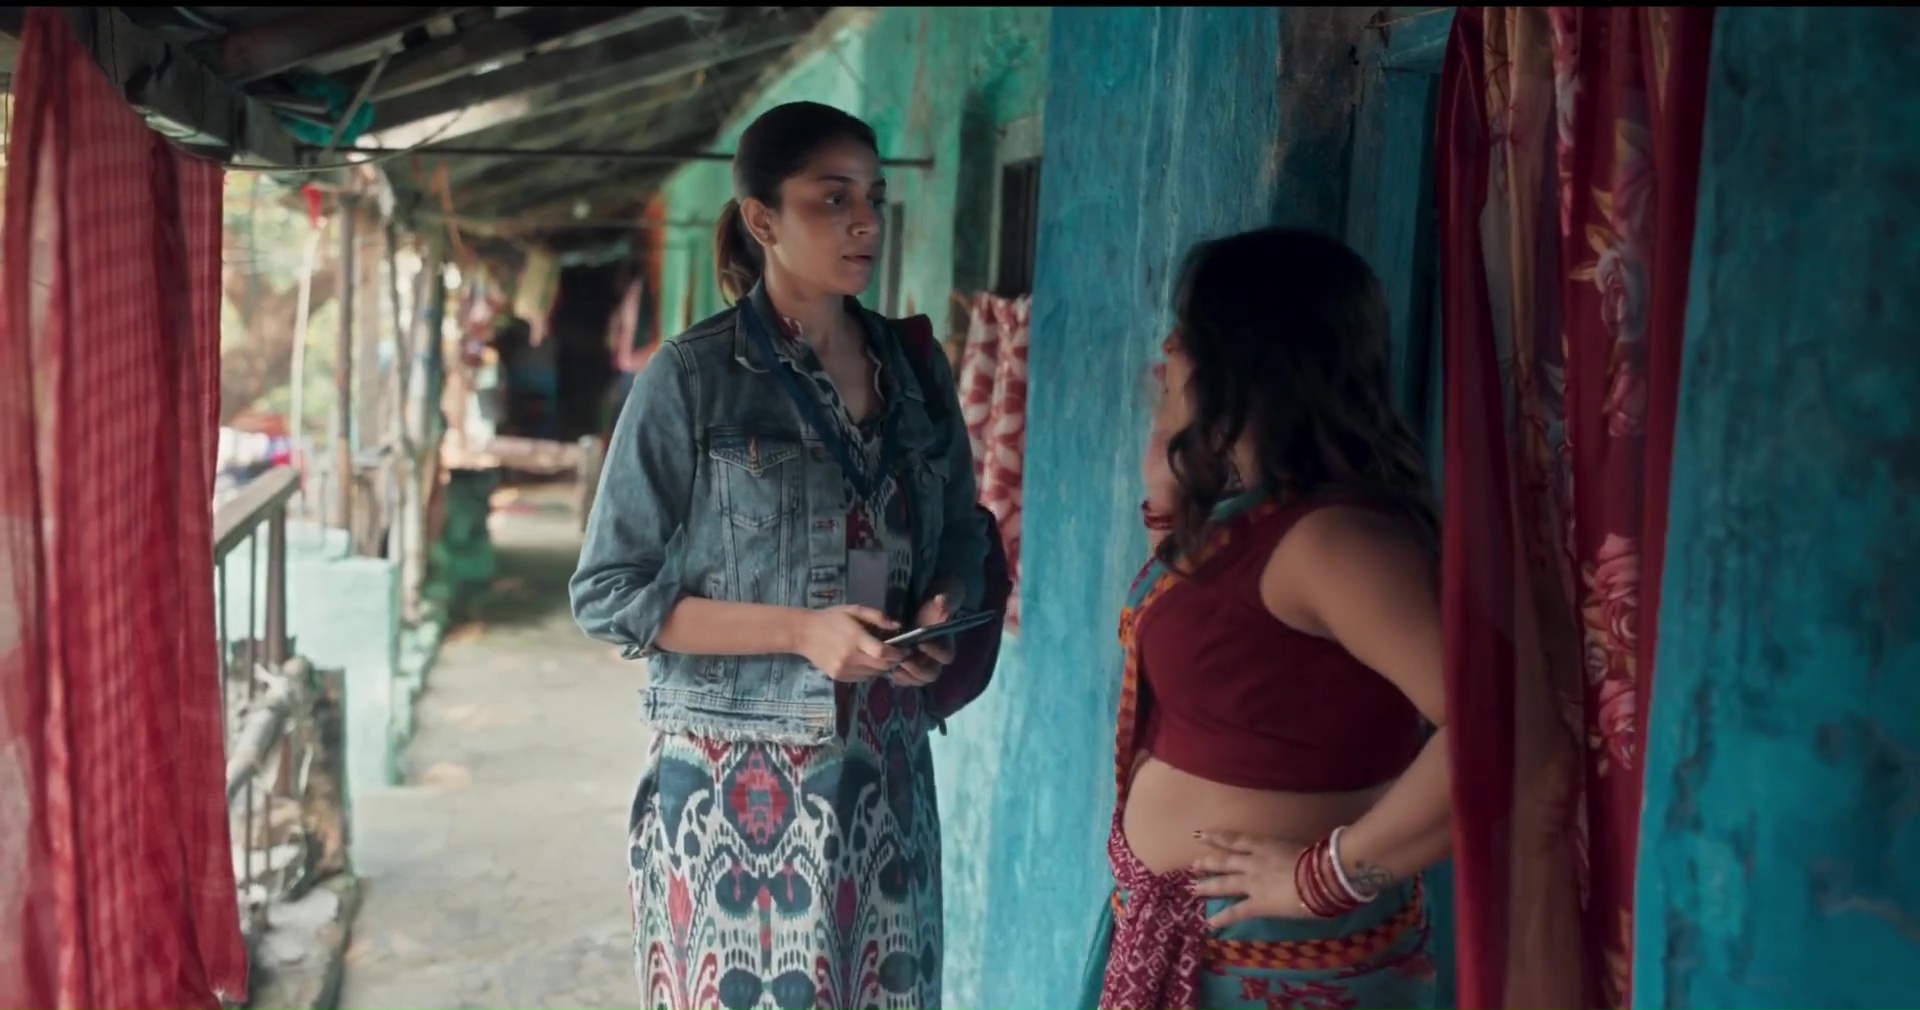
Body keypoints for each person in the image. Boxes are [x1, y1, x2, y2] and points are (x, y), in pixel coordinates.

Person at [570, 101, 992, 1009]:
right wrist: (803, 632)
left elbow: (962, 526)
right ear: (763, 219)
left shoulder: (915, 369)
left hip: (886, 769)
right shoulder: (692, 377)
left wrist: (940, 609)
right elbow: (608, 592)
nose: (865, 222)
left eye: (874, 198)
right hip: (736, 779)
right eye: (832, 199)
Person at [1080, 227, 1450, 1010]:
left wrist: (1327, 876)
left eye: (1188, 330)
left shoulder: (1334, 541)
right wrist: (1173, 450)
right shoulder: (1256, 514)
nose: (1168, 349)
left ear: (1246, 355)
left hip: (1280, 959)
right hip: (1184, 937)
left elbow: (1497, 735)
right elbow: (1200, 626)